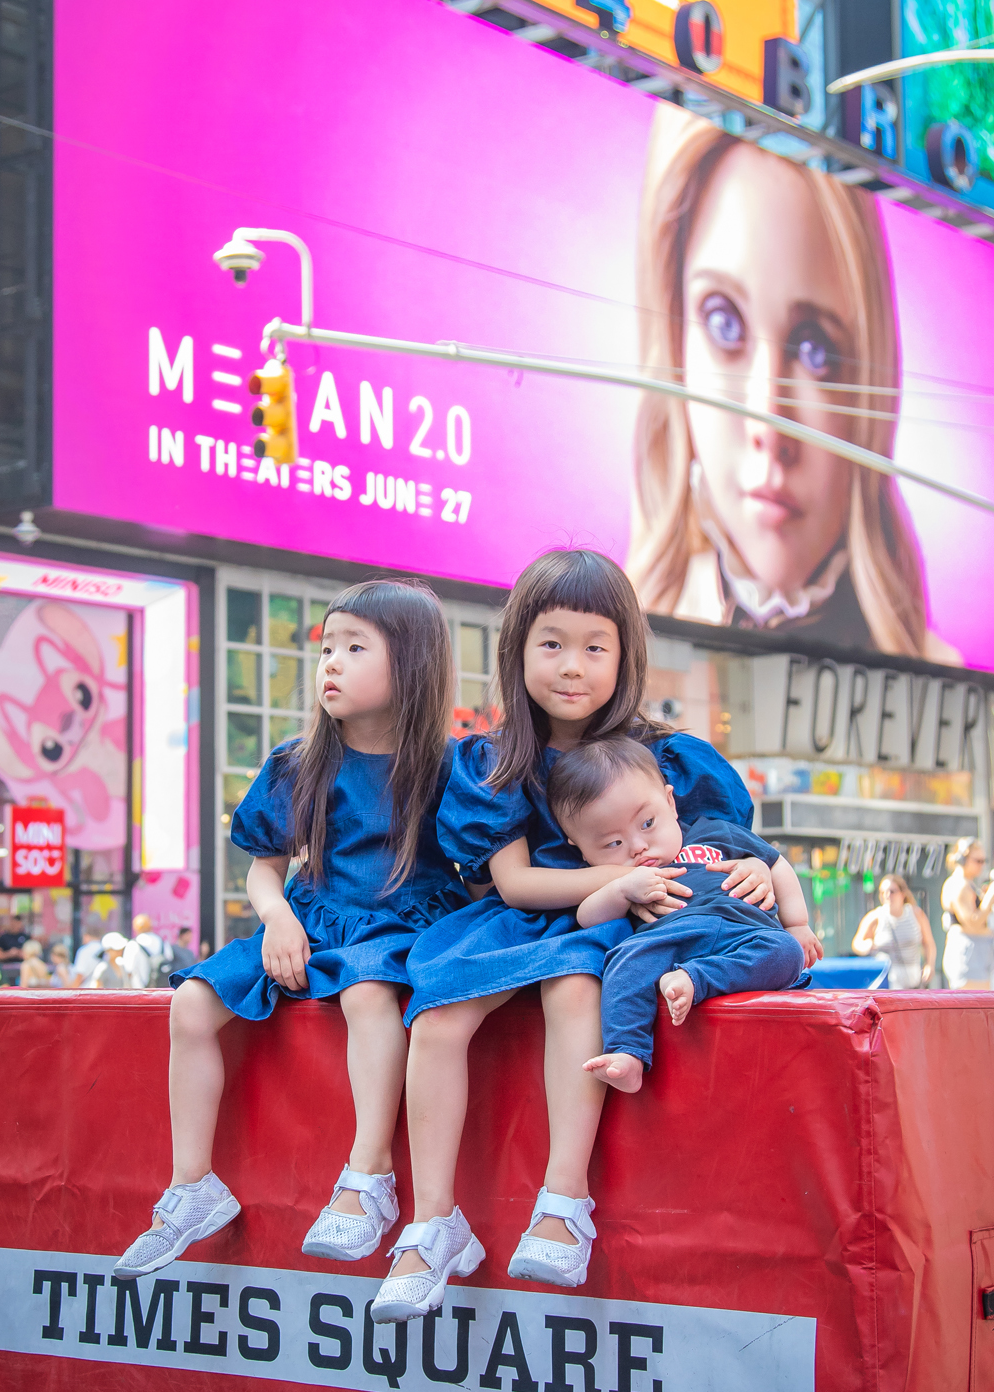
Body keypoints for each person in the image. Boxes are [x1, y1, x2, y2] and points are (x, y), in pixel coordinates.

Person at [372, 549, 776, 1325]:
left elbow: (723, 844)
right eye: (550, 643)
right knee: (438, 1012)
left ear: (624, 655)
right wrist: (611, 882)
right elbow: (517, 885)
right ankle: (431, 1223)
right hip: (533, 912)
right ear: (516, 649)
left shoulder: (668, 759)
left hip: (626, 923)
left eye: (596, 646)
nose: (572, 667)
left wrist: (755, 877)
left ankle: (563, 1203)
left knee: (573, 984)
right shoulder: (493, 762)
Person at [115, 578, 465, 1279]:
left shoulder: (449, 764)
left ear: (414, 664)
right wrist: (275, 918)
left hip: (404, 920)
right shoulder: (296, 762)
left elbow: (482, 869)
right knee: (189, 1004)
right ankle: (192, 1187)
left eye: (354, 647)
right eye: (325, 647)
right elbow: (262, 870)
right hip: (308, 917)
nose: (329, 662)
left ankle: (369, 1175)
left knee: (368, 995)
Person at [626, 109, 960, 663]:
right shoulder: (616, 663)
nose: (766, 421)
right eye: (723, 323)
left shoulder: (940, 677)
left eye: (815, 349)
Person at [545, 738, 818, 1093]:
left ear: (671, 803)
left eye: (647, 823)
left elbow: (776, 864)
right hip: (666, 940)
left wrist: (797, 925)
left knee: (786, 953)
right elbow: (588, 917)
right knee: (624, 964)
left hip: (741, 930)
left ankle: (696, 979)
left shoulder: (717, 833)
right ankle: (626, 1053)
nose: (637, 847)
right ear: (579, 848)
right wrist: (622, 889)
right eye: (613, 843)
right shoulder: (625, 879)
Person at [940, 840, 994, 990]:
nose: (982, 865)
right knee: (972, 1008)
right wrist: (991, 896)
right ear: (961, 859)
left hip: (978, 953)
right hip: (969, 954)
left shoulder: (967, 883)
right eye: (978, 861)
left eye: (984, 861)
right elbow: (972, 922)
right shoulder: (959, 885)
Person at [852, 875, 936, 989]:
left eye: (892, 891)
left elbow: (928, 943)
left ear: (902, 894)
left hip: (913, 978)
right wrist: (867, 946)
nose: (887, 896)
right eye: (883, 892)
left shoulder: (916, 914)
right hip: (886, 979)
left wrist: (929, 965)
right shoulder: (875, 916)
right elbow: (857, 943)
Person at [122, 915, 171, 991]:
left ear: (136, 928)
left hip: (140, 992)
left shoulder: (133, 944)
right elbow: (170, 960)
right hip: (161, 990)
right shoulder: (162, 942)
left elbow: (128, 970)